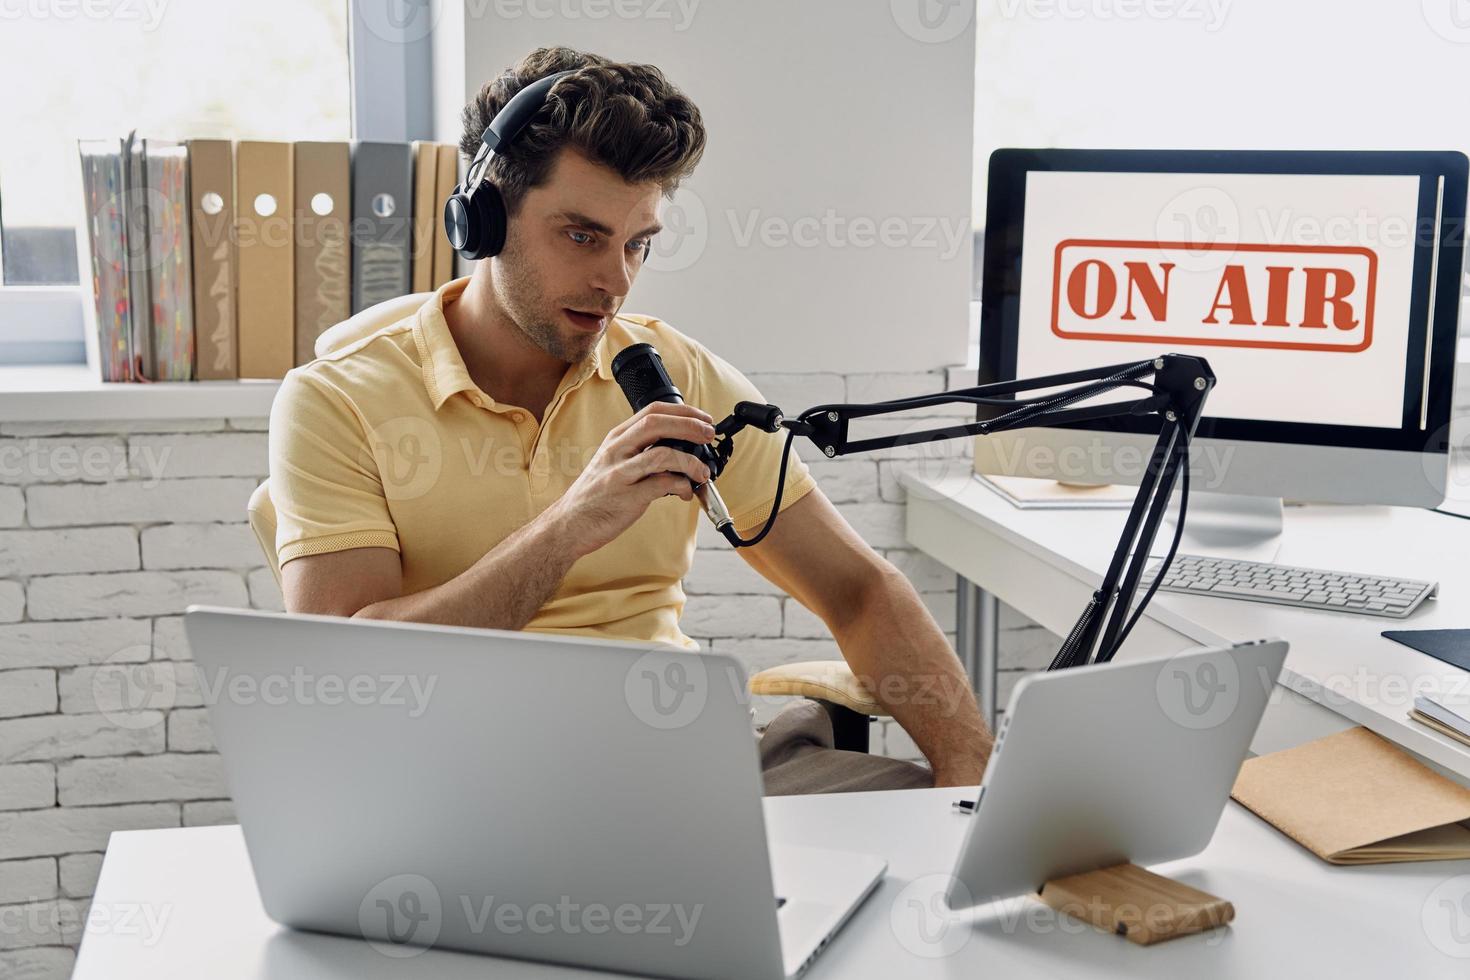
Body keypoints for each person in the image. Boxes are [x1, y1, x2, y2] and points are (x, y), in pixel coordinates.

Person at [269, 46, 991, 792]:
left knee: (919, 838)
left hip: (679, 770)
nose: (614, 279)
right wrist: (574, 521)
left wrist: (967, 773)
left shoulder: (676, 374)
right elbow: (348, 674)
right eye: (582, 236)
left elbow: (860, 591)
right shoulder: (337, 400)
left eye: (637, 244)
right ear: (483, 219)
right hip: (465, 785)